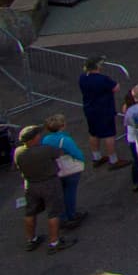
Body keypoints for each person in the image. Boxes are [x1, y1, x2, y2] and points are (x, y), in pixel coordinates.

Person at [12, 124, 76, 253]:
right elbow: (60, 153)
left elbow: (16, 167)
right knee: (53, 213)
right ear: (32, 139)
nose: (39, 136)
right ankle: (54, 242)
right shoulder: (45, 150)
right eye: (37, 135)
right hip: (49, 184)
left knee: (30, 212)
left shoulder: (18, 152)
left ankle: (31, 240)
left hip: (30, 185)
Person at [77, 57, 122, 167]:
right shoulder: (103, 79)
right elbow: (116, 88)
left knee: (93, 133)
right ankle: (113, 160)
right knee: (109, 135)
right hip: (104, 109)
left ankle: (96, 157)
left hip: (90, 109)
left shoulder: (82, 77)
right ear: (97, 66)